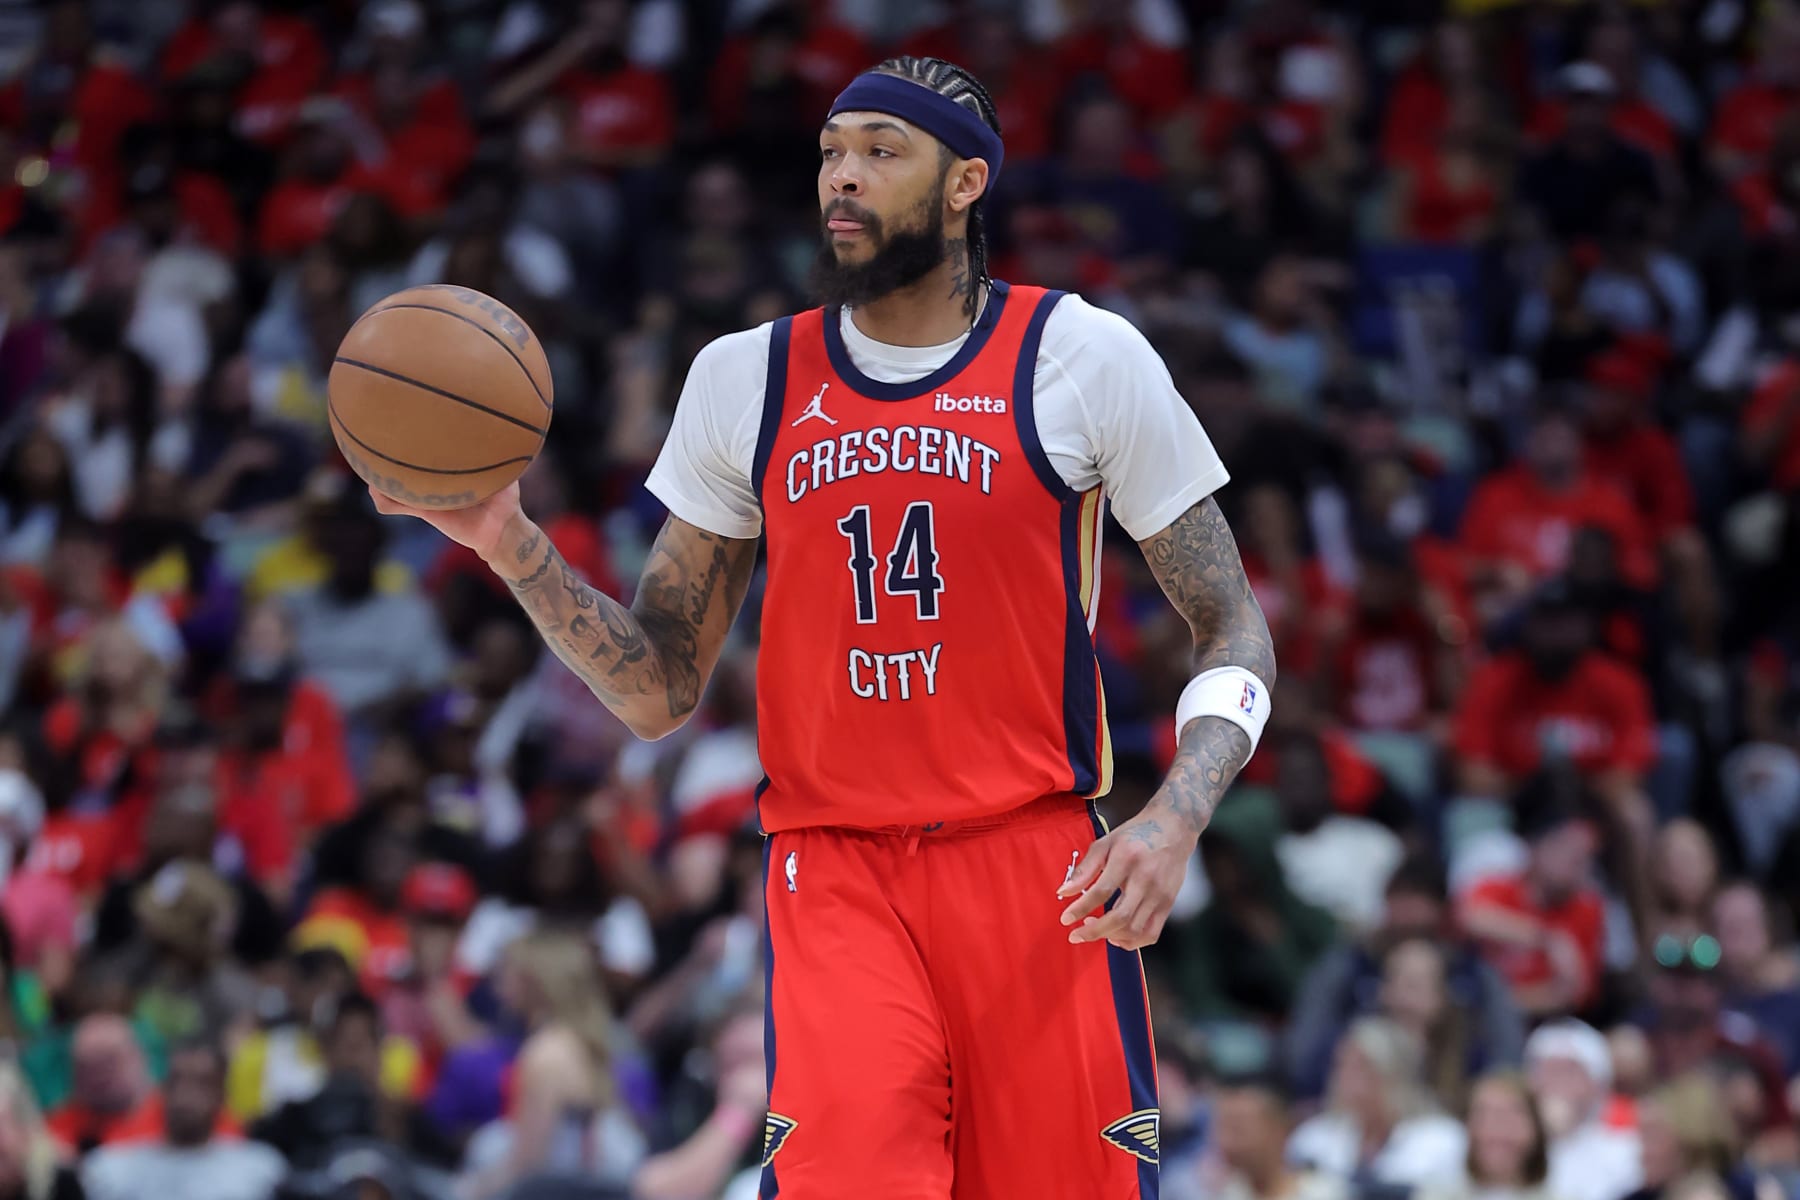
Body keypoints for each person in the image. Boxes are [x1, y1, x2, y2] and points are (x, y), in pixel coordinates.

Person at [372, 53, 1274, 1199]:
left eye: (880, 153)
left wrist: (1174, 818)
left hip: (1039, 869)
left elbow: (1234, 625)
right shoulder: (742, 378)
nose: (842, 177)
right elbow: (656, 690)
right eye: (830, 152)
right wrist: (506, 536)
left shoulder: (1083, 358)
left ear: (964, 185)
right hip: (834, 871)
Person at [81, 1040, 284, 1200]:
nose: (186, 1096)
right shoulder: (111, 1168)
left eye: (201, 1084)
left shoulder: (259, 1169)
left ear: (221, 1095)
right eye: (177, 1082)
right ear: (163, 1089)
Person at [1286, 1017, 1468, 1189]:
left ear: (1395, 1074)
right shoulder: (1313, 1139)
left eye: (1362, 1067)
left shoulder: (1443, 1140)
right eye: (1342, 1065)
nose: (1347, 1078)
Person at [1525, 1020, 1642, 1200]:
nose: (1556, 1082)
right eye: (1546, 1070)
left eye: (1568, 1071)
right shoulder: (1508, 1148)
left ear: (1598, 1085)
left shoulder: (1626, 1152)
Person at [1420, 1071, 1560, 1200]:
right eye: (1484, 1116)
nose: (1496, 1132)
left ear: (1535, 1130)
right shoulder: (1436, 1194)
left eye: (1509, 1118)